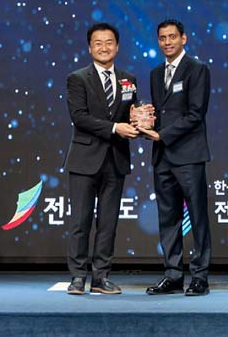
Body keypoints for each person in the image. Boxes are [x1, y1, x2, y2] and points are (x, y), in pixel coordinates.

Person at [63, 22, 141, 295]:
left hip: (115, 159)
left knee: (108, 223)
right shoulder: (77, 78)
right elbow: (79, 117)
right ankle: (77, 277)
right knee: (80, 221)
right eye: (98, 43)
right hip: (84, 159)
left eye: (109, 42)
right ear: (89, 48)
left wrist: (142, 119)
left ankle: (100, 277)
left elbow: (132, 112)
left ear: (117, 47)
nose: (104, 47)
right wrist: (115, 128)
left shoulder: (128, 79)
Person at [140, 18, 212, 296]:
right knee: (168, 217)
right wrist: (143, 122)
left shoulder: (197, 69)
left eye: (172, 37)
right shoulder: (156, 73)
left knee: (197, 216)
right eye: (162, 38)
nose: (167, 42)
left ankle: (200, 276)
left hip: (189, 155)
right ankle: (172, 275)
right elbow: (161, 112)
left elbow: (196, 114)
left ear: (184, 38)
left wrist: (161, 135)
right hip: (162, 157)